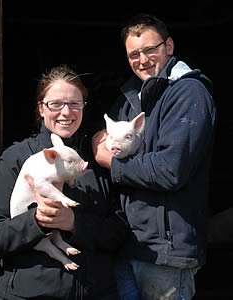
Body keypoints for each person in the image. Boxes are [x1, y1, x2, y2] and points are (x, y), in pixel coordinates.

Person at [92, 13, 216, 300]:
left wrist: (112, 163)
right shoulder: (129, 99)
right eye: (134, 54)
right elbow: (109, 139)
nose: (143, 59)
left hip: (167, 253)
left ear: (169, 46)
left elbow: (169, 169)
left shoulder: (187, 93)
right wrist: (98, 140)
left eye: (150, 49)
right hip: (131, 244)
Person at [0, 64, 128, 300]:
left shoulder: (96, 159)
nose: (66, 113)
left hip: (97, 292)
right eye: (55, 104)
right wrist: (36, 221)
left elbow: (120, 231)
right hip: (32, 294)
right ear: (41, 108)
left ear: (83, 107)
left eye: (74, 104)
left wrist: (74, 223)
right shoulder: (17, 158)